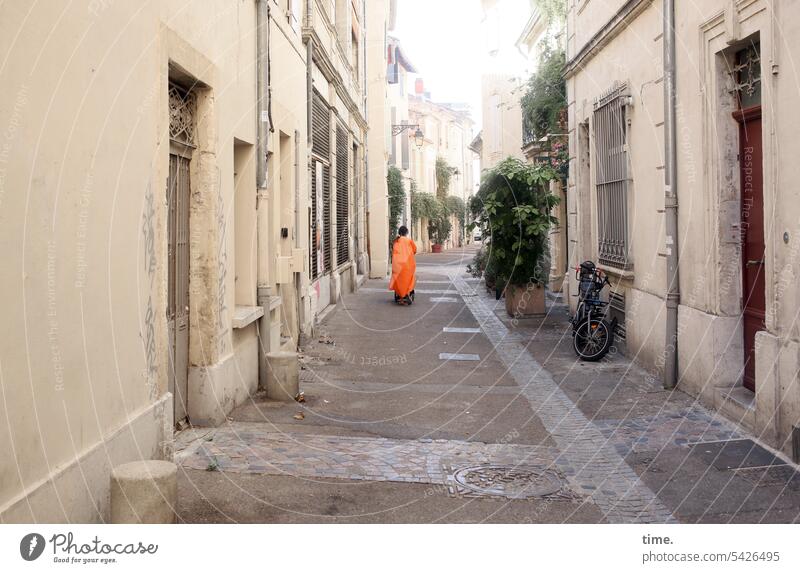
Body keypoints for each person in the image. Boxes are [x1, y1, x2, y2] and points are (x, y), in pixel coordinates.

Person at [389, 226, 417, 305]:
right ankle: (407, 293)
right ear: (406, 233)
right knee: (409, 279)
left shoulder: (396, 241)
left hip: (397, 264)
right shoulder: (409, 241)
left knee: (398, 280)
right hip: (408, 264)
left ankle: (400, 296)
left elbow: (393, 251)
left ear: (399, 232)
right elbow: (414, 250)